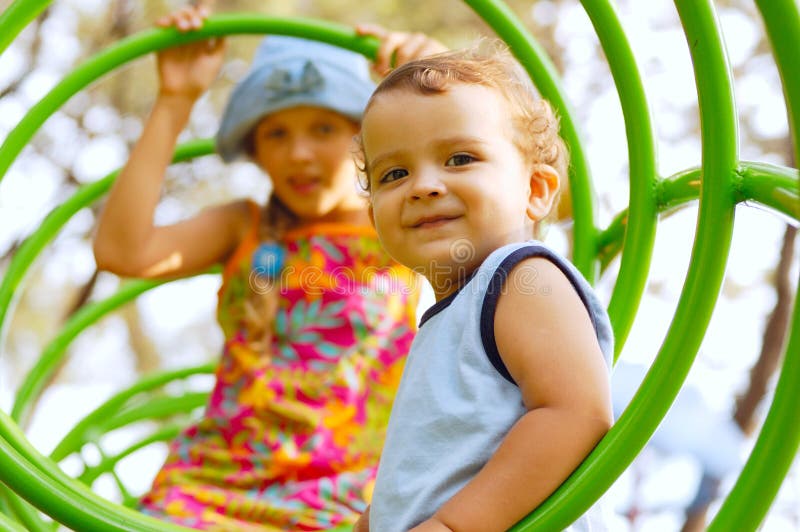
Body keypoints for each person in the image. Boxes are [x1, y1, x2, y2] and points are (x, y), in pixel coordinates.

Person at [92, 5, 446, 530]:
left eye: (323, 127)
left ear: (365, 142)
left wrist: (441, 91)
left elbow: (515, 196)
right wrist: (175, 100)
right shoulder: (244, 227)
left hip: (347, 494)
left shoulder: (401, 225)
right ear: (255, 149)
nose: (299, 152)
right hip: (212, 489)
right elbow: (124, 251)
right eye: (276, 134)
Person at [355, 43, 615, 532]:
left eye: (459, 158)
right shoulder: (451, 318)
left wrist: (455, 524)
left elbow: (575, 412)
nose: (423, 185)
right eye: (395, 173)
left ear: (535, 190)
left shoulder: (522, 277)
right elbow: (441, 460)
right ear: (374, 218)